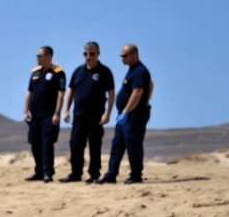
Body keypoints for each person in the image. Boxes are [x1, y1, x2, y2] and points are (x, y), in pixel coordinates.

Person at [96, 43, 153, 184]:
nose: (122, 59)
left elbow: (138, 92)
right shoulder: (132, 70)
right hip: (125, 116)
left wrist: (128, 110)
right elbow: (151, 84)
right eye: (121, 56)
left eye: (125, 56)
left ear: (134, 54)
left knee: (133, 145)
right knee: (117, 144)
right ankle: (111, 173)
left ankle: (136, 175)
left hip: (134, 116)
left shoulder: (140, 71)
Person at [60, 42, 115, 183]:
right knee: (76, 144)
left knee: (94, 145)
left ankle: (94, 174)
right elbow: (71, 91)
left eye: (92, 54)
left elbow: (111, 93)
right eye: (86, 54)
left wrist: (107, 114)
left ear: (98, 54)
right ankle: (75, 173)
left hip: (96, 116)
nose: (88, 57)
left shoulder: (105, 72)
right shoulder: (78, 71)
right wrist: (66, 110)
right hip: (79, 115)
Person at [23, 45, 67, 183]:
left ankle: (48, 172)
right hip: (35, 115)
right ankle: (39, 171)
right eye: (37, 56)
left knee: (47, 144)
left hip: (49, 115)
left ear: (48, 56)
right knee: (35, 143)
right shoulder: (35, 73)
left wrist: (57, 113)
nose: (38, 58)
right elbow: (29, 93)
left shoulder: (58, 73)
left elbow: (61, 95)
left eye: (40, 56)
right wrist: (25, 111)